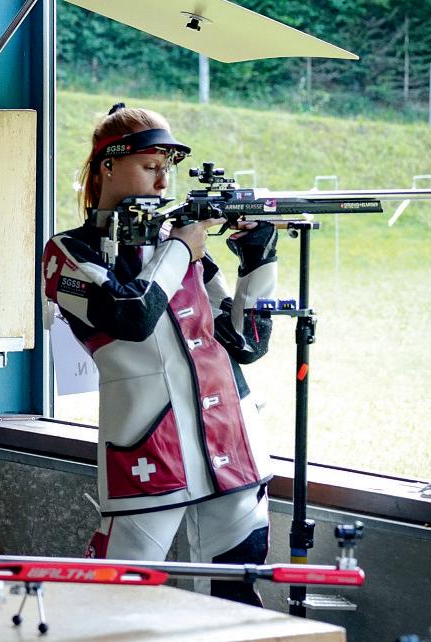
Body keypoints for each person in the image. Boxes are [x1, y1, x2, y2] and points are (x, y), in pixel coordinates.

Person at [41, 104, 278, 606]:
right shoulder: (69, 252)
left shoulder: (180, 247)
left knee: (237, 602)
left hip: (231, 444)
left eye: (167, 169)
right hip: (149, 452)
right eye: (151, 166)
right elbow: (131, 315)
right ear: (107, 165)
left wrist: (259, 259)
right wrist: (181, 250)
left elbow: (246, 342)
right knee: (115, 600)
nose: (163, 181)